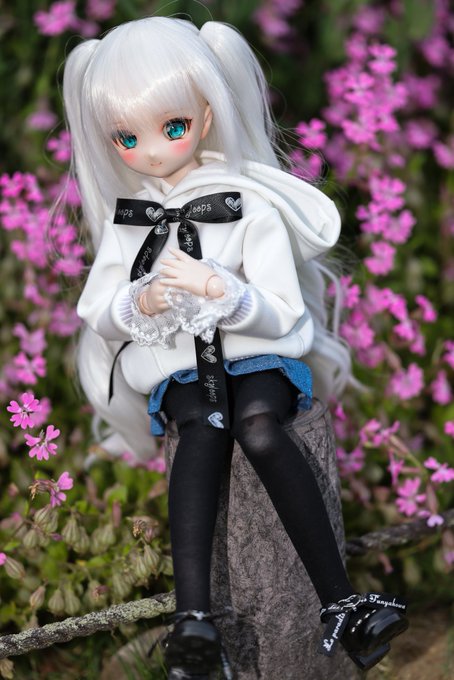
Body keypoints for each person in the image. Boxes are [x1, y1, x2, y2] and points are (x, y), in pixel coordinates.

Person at [63, 16, 408, 679]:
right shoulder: (129, 223)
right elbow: (97, 312)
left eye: (171, 127)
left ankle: (343, 602)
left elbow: (285, 313)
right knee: (201, 429)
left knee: (259, 427)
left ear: (205, 114)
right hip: (181, 370)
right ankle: (193, 621)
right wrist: (144, 302)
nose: (152, 152)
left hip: (258, 356)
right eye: (127, 138)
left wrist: (219, 287)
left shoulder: (249, 204)